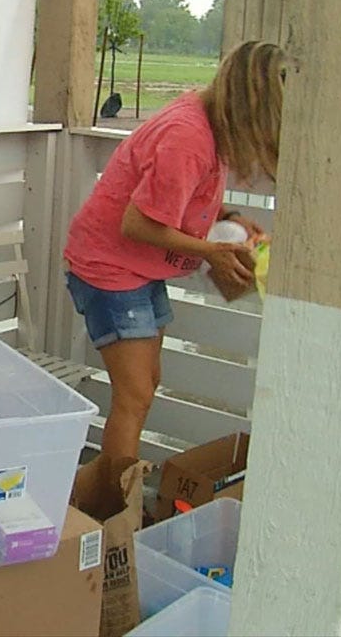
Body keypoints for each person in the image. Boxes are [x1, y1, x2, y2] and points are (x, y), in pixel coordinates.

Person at [63, 40, 285, 499]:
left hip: (140, 266)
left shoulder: (207, 119)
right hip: (109, 266)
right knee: (134, 397)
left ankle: (83, 495)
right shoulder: (188, 137)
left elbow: (181, 193)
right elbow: (137, 222)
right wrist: (210, 251)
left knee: (146, 386)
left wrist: (226, 216)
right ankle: (114, 512)